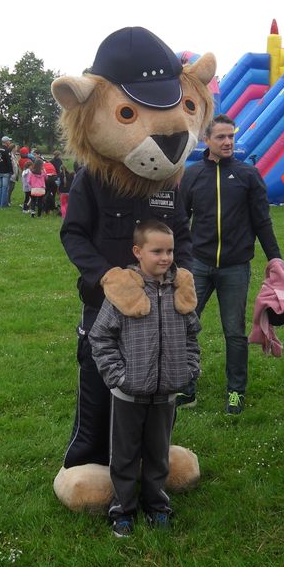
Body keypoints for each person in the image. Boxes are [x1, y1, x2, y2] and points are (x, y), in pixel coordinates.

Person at [89, 220, 201, 537]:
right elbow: (100, 338)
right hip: (128, 394)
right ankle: (123, 510)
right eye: (157, 251)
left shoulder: (181, 289)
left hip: (166, 395)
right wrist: (118, 376)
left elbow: (193, 335)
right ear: (138, 252)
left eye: (170, 251)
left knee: (157, 454)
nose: (165, 258)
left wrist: (189, 368)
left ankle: (157, 506)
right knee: (124, 456)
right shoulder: (123, 291)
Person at [178, 113, 283, 415]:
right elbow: (181, 220)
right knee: (185, 326)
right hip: (198, 265)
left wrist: (275, 258)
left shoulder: (248, 175)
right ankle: (186, 388)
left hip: (235, 268)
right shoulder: (193, 174)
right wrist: (176, 258)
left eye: (231, 137)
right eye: (221, 137)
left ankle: (236, 391)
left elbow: (262, 222)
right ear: (207, 140)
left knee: (234, 332)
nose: (228, 142)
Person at [0, 136, 13, 208]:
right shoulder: (6, 150)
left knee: (0, 187)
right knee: (5, 188)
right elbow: (9, 162)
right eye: (9, 141)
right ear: (6, 142)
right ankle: (3, 204)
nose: (10, 142)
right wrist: (11, 171)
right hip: (6, 172)